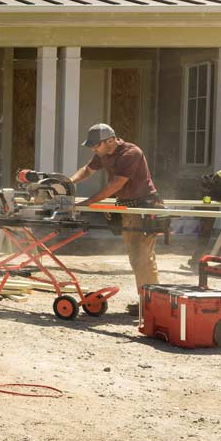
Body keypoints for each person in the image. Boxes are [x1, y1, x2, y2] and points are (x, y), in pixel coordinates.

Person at [69, 124, 164, 311]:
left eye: (96, 145)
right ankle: (147, 302)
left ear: (110, 140)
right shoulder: (103, 153)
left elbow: (116, 185)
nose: (93, 149)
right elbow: (87, 170)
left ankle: (152, 305)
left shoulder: (131, 153)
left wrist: (89, 202)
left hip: (144, 206)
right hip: (128, 207)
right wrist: (68, 182)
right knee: (136, 257)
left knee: (143, 258)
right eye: (92, 146)